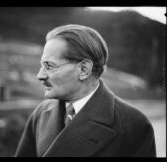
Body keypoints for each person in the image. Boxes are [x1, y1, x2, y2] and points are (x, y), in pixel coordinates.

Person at [15, 24, 156, 157]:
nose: (40, 75)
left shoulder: (134, 125)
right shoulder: (40, 114)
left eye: (49, 66)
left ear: (84, 69)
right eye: (42, 65)